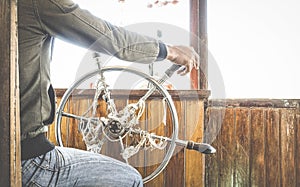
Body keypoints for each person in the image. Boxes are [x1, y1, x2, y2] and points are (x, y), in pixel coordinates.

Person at [18, 0, 200, 186]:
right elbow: (113, 40)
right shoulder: (38, 4)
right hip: (29, 160)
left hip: (12, 154)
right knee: (130, 179)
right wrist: (171, 51)